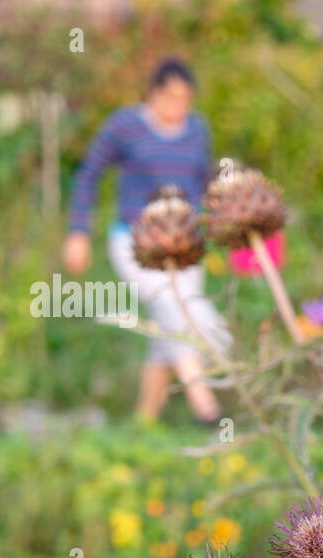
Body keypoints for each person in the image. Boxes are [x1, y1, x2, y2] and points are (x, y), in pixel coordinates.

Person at [62, 57, 229, 423]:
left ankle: (145, 422)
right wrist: (78, 232)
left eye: (186, 100)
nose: (178, 108)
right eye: (171, 98)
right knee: (175, 310)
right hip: (137, 244)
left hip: (186, 243)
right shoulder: (125, 126)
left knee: (170, 325)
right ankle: (206, 406)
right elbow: (89, 176)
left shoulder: (197, 130)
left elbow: (205, 184)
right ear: (153, 93)